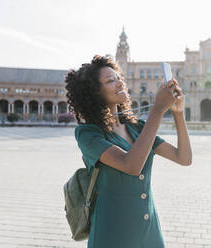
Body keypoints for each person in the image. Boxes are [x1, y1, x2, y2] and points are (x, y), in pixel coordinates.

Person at [65, 55, 192, 248]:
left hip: (148, 230)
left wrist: (178, 113)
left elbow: (184, 158)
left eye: (118, 78)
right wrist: (158, 108)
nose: (119, 83)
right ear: (94, 92)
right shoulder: (88, 134)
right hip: (113, 233)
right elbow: (131, 165)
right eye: (110, 80)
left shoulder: (137, 127)